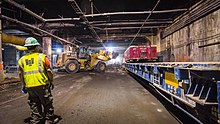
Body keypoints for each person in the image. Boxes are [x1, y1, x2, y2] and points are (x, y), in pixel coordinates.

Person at [18, 37, 58, 124]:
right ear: (36, 47)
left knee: (34, 103)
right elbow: (49, 71)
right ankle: (49, 120)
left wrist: (23, 84)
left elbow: (20, 74)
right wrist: (51, 81)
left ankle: (35, 120)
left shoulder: (21, 60)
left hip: (30, 86)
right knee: (47, 103)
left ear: (27, 47)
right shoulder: (42, 57)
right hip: (42, 84)